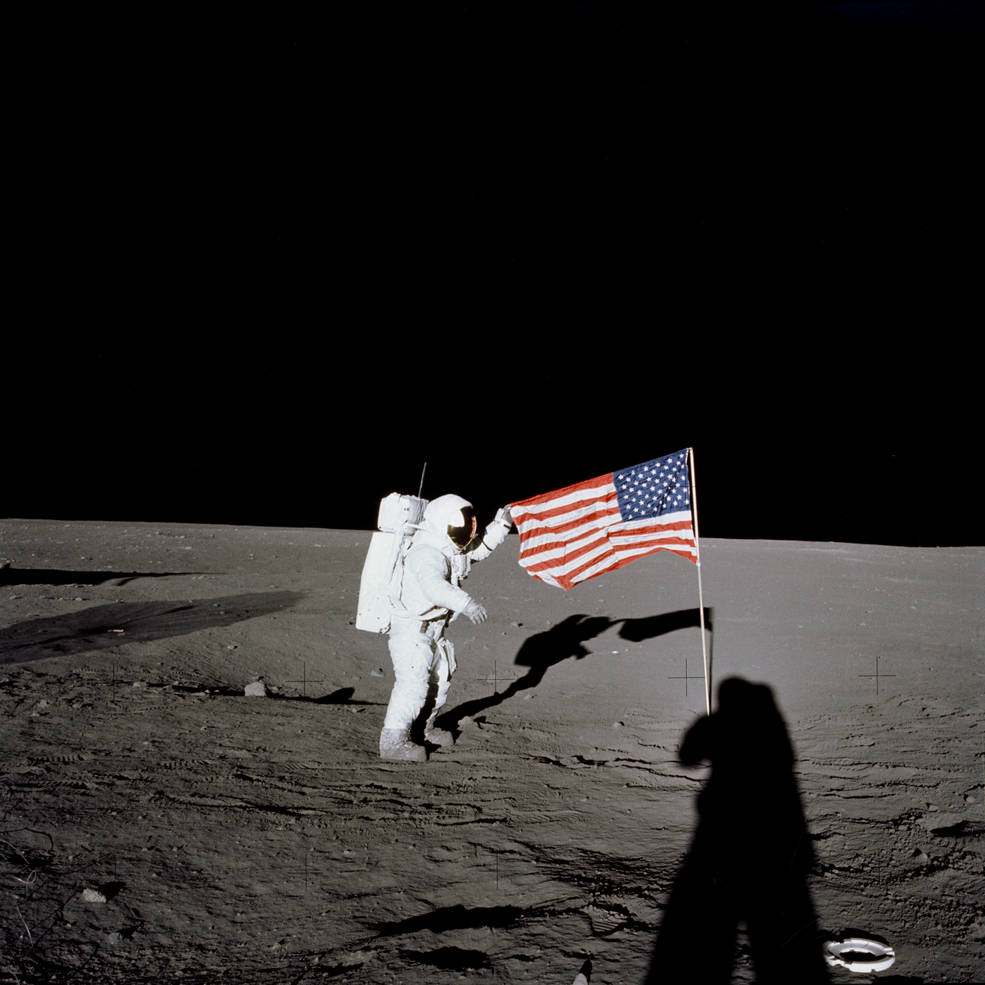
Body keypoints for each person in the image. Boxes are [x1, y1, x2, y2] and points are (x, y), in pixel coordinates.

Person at [379, 494, 512, 762]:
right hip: (411, 630)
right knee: (413, 685)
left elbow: (479, 548)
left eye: (468, 528)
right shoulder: (425, 552)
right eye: (462, 528)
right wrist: (468, 604)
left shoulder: (448, 549)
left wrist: (502, 525)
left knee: (440, 679)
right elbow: (434, 587)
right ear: (443, 524)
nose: (467, 533)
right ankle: (392, 742)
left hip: (432, 632)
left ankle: (422, 727)